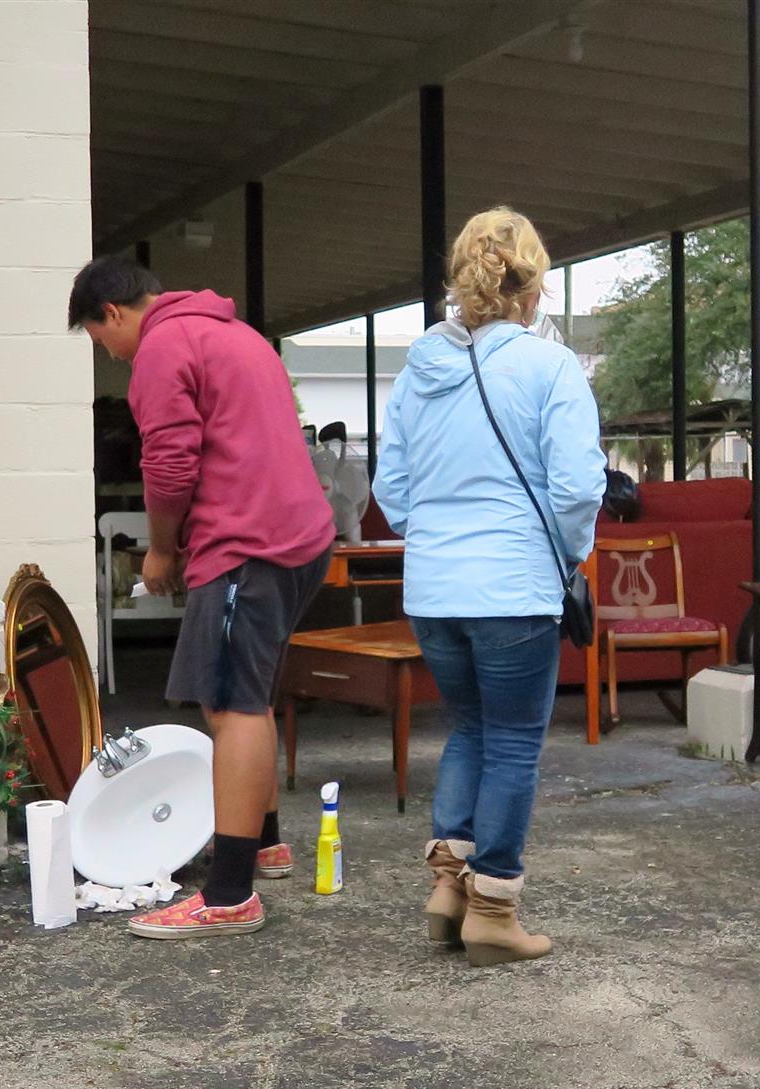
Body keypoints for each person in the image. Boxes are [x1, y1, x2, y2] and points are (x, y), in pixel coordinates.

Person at [67, 257, 335, 940]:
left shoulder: (162, 347)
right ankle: (263, 843)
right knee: (253, 692)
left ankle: (229, 894)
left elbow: (168, 465)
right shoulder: (237, 333)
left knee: (231, 705)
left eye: (101, 340)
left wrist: (160, 548)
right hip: (301, 537)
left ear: (112, 312)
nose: (112, 354)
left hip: (248, 543)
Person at [373, 209, 605, 966]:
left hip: (433, 590)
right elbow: (578, 487)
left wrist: (440, 539)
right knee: (510, 742)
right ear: (533, 287)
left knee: (469, 729)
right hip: (513, 586)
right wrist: (566, 555)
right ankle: (494, 910)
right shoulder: (550, 367)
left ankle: (448, 887)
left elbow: (391, 488)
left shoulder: (418, 369)